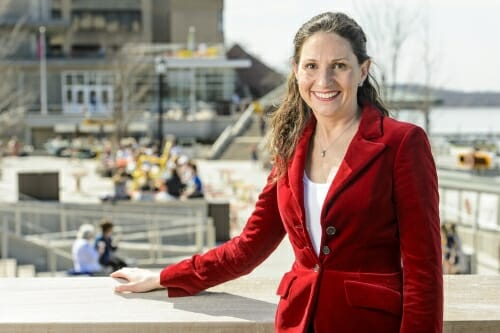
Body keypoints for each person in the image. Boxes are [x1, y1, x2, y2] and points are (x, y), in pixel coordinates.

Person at [111, 12, 443, 333]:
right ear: (296, 71)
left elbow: (423, 269)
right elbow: (247, 247)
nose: (323, 81)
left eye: (339, 66)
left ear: (363, 71)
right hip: (296, 320)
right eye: (311, 66)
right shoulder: (290, 147)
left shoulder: (402, 143)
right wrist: (165, 277)